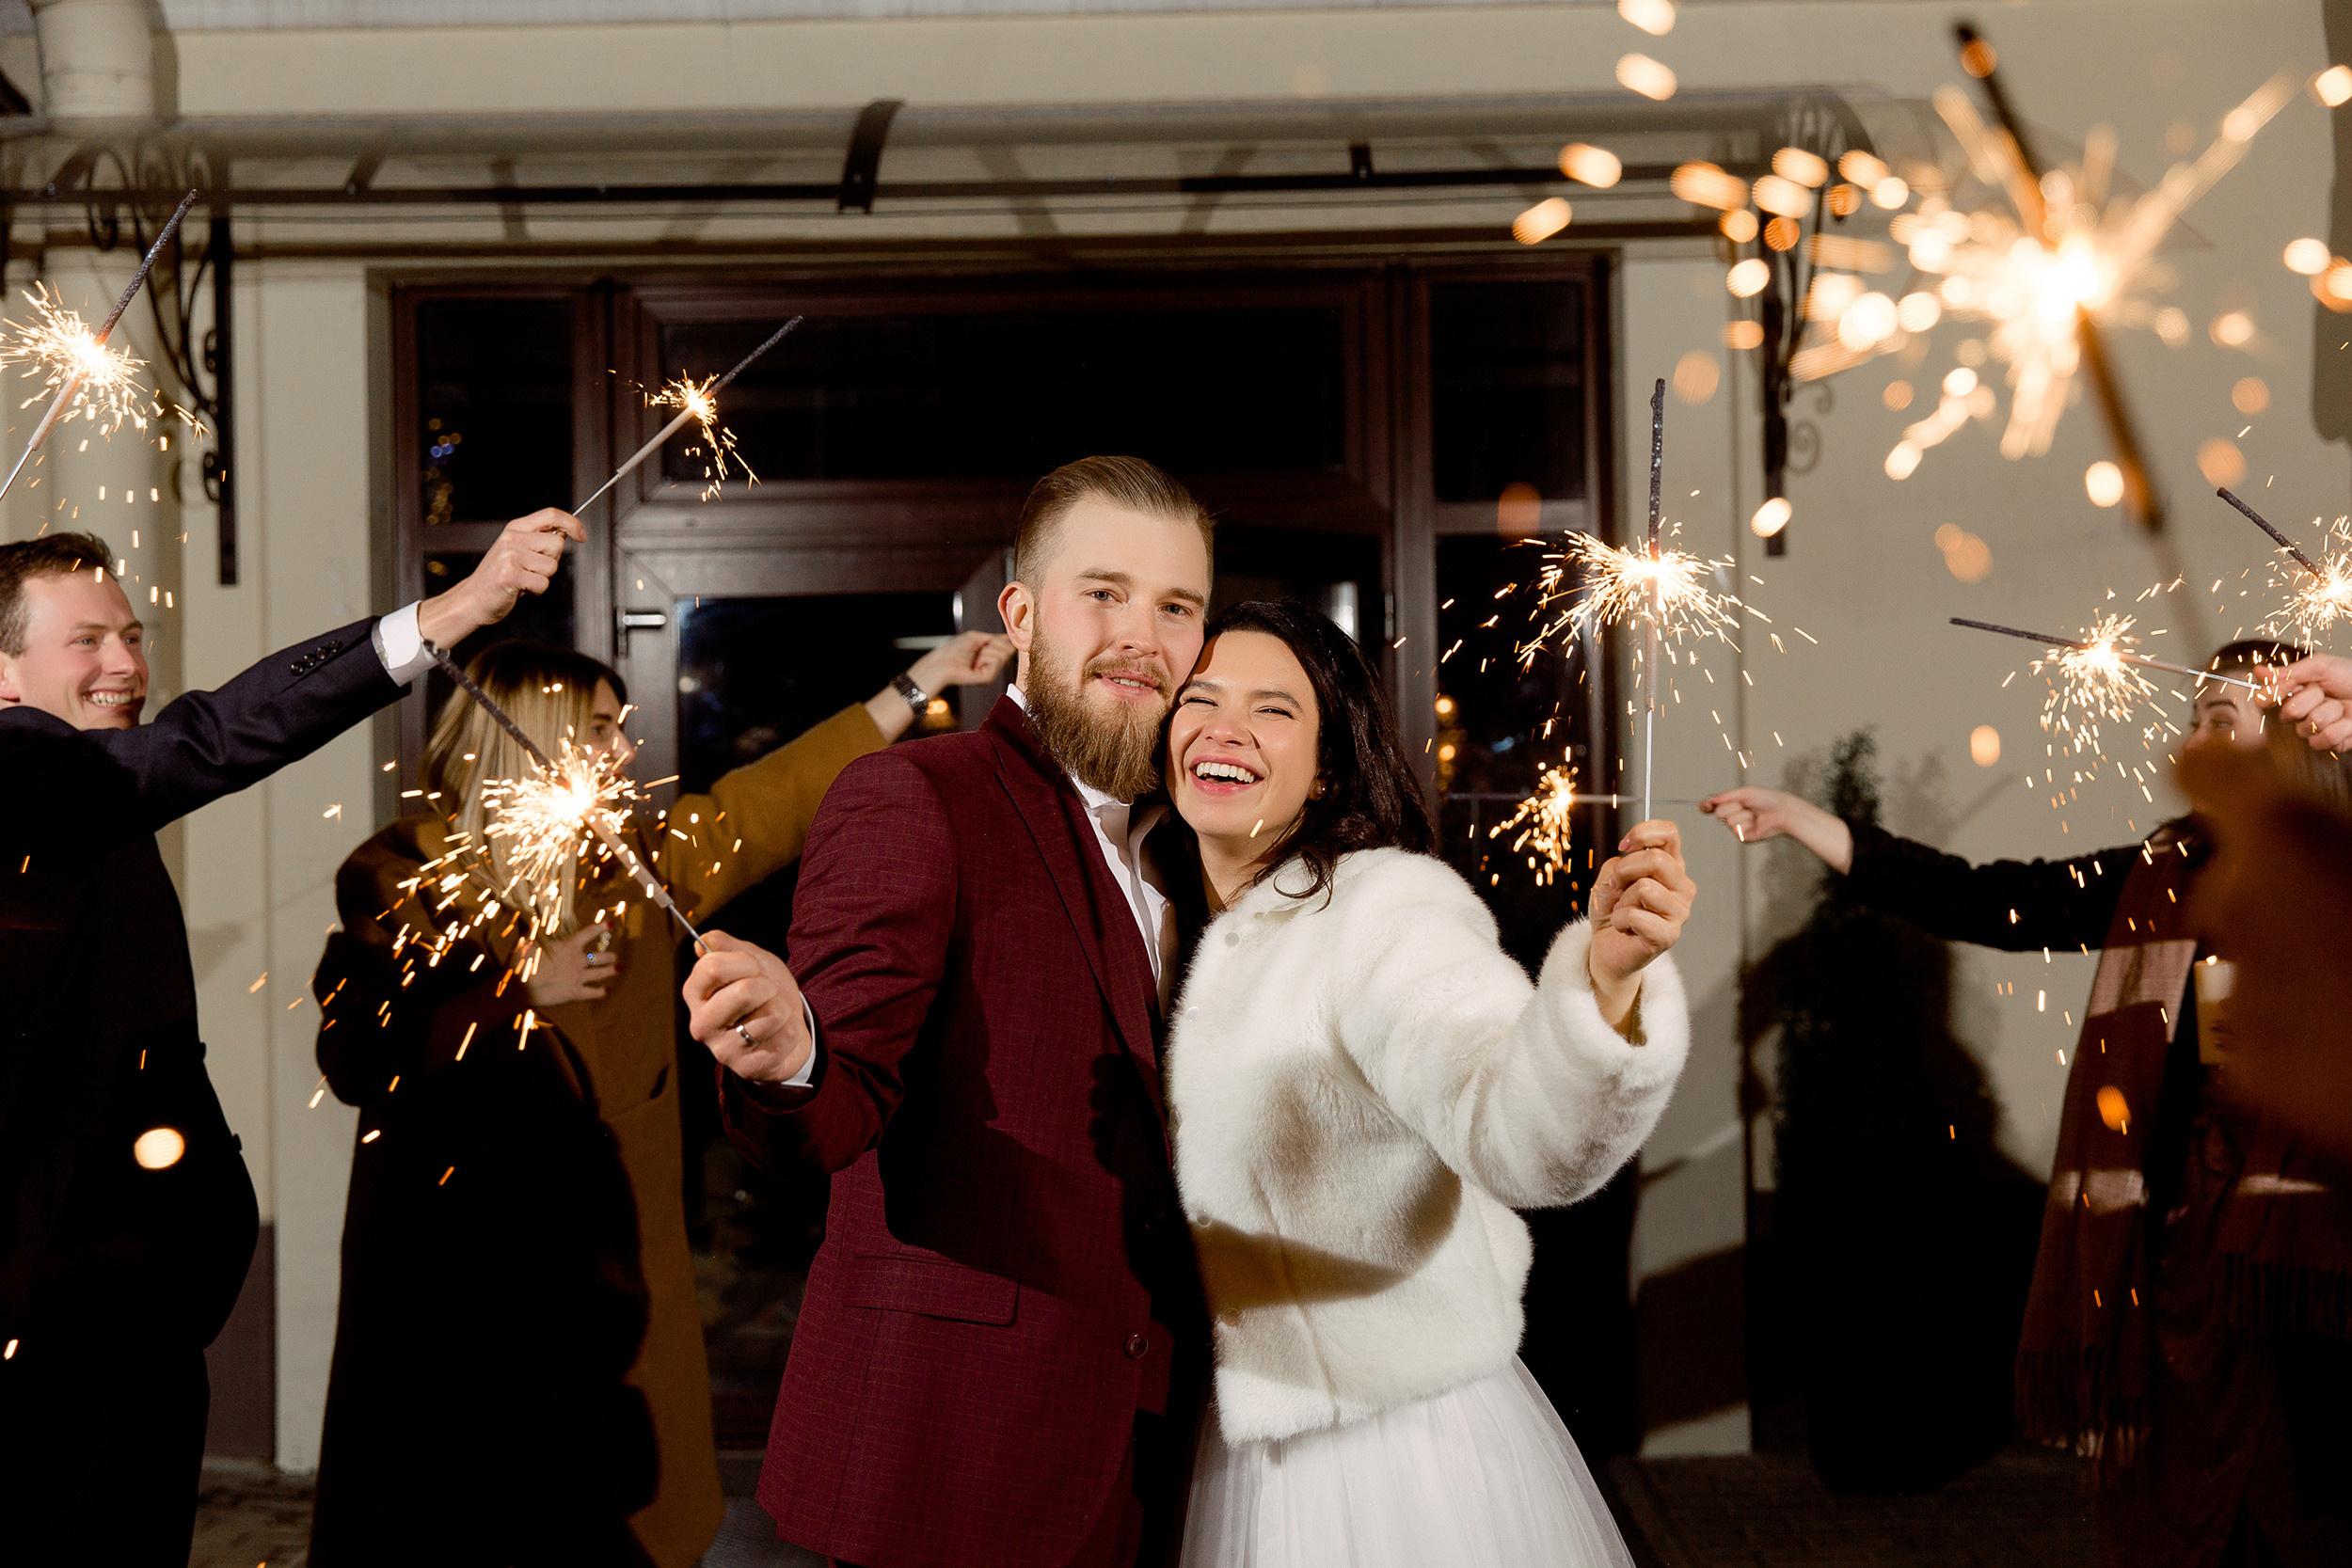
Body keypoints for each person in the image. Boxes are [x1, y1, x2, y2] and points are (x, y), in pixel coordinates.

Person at [306, 630, 1009, 1568]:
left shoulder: (631, 864)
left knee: (621, 1511)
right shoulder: (403, 878)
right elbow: (358, 1052)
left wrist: (913, 685)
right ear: (535, 738)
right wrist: (519, 986)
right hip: (464, 1282)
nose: (624, 751)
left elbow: (769, 803)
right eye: (599, 727)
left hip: (614, 1266)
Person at [0, 513, 579, 1566]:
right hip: (52, 1338)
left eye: (130, 634)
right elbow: (214, 736)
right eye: (86, 639)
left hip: (126, 1314)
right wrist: (448, 613)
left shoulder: (75, 793)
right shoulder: (21, 763)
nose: (127, 663)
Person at [1701, 641, 2352, 1568]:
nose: (2191, 740)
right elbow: (1997, 899)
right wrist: (1813, 823)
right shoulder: (2158, 873)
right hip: (2172, 1255)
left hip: (2303, 1265)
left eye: (2218, 720)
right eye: (2193, 716)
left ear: (2291, 741)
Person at [684, 455, 1215, 1568]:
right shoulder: (915, 795)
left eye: (1177, 606)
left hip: (1150, 1455)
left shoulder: (1187, 853)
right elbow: (835, 1112)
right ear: (1020, 614)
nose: (1141, 634)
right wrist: (793, 1053)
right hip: (952, 1462)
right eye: (1104, 593)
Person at [1150, 600, 1692, 1568]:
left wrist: (1603, 991)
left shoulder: (1380, 912)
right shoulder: (1163, 920)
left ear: (1326, 768)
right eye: (1202, 697)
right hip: (1239, 1436)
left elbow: (1510, 1124)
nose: (1225, 726)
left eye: (1273, 708)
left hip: (1387, 1454)